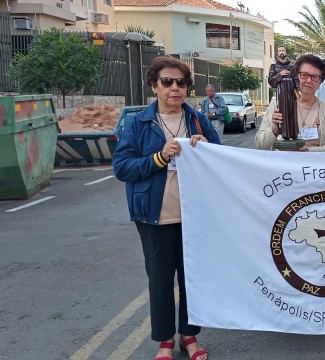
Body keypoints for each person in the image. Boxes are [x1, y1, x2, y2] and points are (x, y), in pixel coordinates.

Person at [113, 56, 220, 360]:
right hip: (154, 217)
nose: (175, 88)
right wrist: (159, 158)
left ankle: (189, 336)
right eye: (167, 82)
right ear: (154, 86)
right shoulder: (140, 123)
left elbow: (222, 161)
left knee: (192, 279)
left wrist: (207, 149)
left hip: (194, 217)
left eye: (181, 82)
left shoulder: (197, 120)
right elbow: (122, 167)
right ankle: (164, 342)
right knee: (160, 281)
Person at [256, 55, 325, 152]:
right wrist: (274, 130)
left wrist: (309, 151)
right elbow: (259, 144)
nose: (308, 80)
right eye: (304, 75)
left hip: (313, 166)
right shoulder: (278, 104)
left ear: (320, 82)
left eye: (315, 77)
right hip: (283, 165)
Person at [268, 46, 299, 140]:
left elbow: (296, 79)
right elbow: (270, 80)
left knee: (293, 112)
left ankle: (294, 133)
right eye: (280, 51)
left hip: (291, 92)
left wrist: (298, 89)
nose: (281, 52)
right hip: (281, 92)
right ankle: (285, 134)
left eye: (283, 50)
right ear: (277, 53)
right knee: (282, 112)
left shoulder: (292, 66)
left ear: (286, 52)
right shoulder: (274, 66)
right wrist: (279, 75)